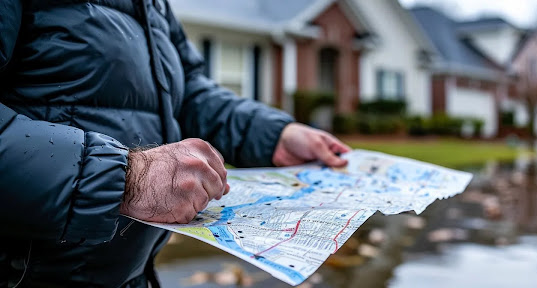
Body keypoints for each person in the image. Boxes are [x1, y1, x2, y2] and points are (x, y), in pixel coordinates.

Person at [0, 0, 351, 286]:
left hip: (129, 275)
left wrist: (275, 135)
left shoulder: (152, 5)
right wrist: (126, 178)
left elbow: (189, 93)